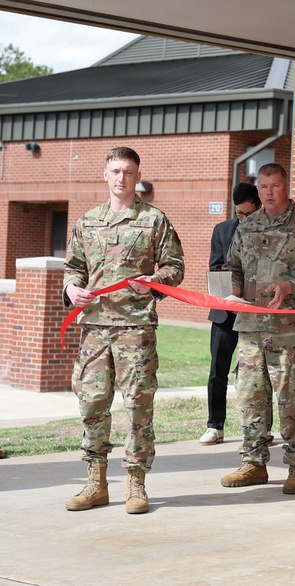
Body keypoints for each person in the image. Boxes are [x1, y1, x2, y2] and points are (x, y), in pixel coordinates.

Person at [63, 146, 185, 515]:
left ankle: (136, 482)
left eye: (128, 172)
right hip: (96, 329)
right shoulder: (87, 222)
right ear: (105, 174)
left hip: (135, 329)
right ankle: (95, 483)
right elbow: (74, 267)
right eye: (115, 171)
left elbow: (175, 267)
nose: (121, 178)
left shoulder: (153, 220)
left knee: (137, 405)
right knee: (92, 404)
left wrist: (155, 280)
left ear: (137, 176)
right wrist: (71, 289)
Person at [219, 163, 295, 495]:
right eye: (263, 187)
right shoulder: (246, 227)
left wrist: (291, 288)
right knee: (250, 397)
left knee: (292, 397)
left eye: (274, 186)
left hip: (290, 329)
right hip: (251, 328)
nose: (268, 193)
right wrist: (230, 290)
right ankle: (254, 463)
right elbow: (232, 267)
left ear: (286, 186)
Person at [200, 182, 267, 446]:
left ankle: (263, 429)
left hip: (256, 312)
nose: (242, 219)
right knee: (218, 370)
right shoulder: (222, 230)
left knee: (260, 373)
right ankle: (215, 426)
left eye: (248, 214)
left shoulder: (268, 231)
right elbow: (215, 267)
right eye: (239, 213)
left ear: (258, 207)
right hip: (225, 311)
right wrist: (230, 294)